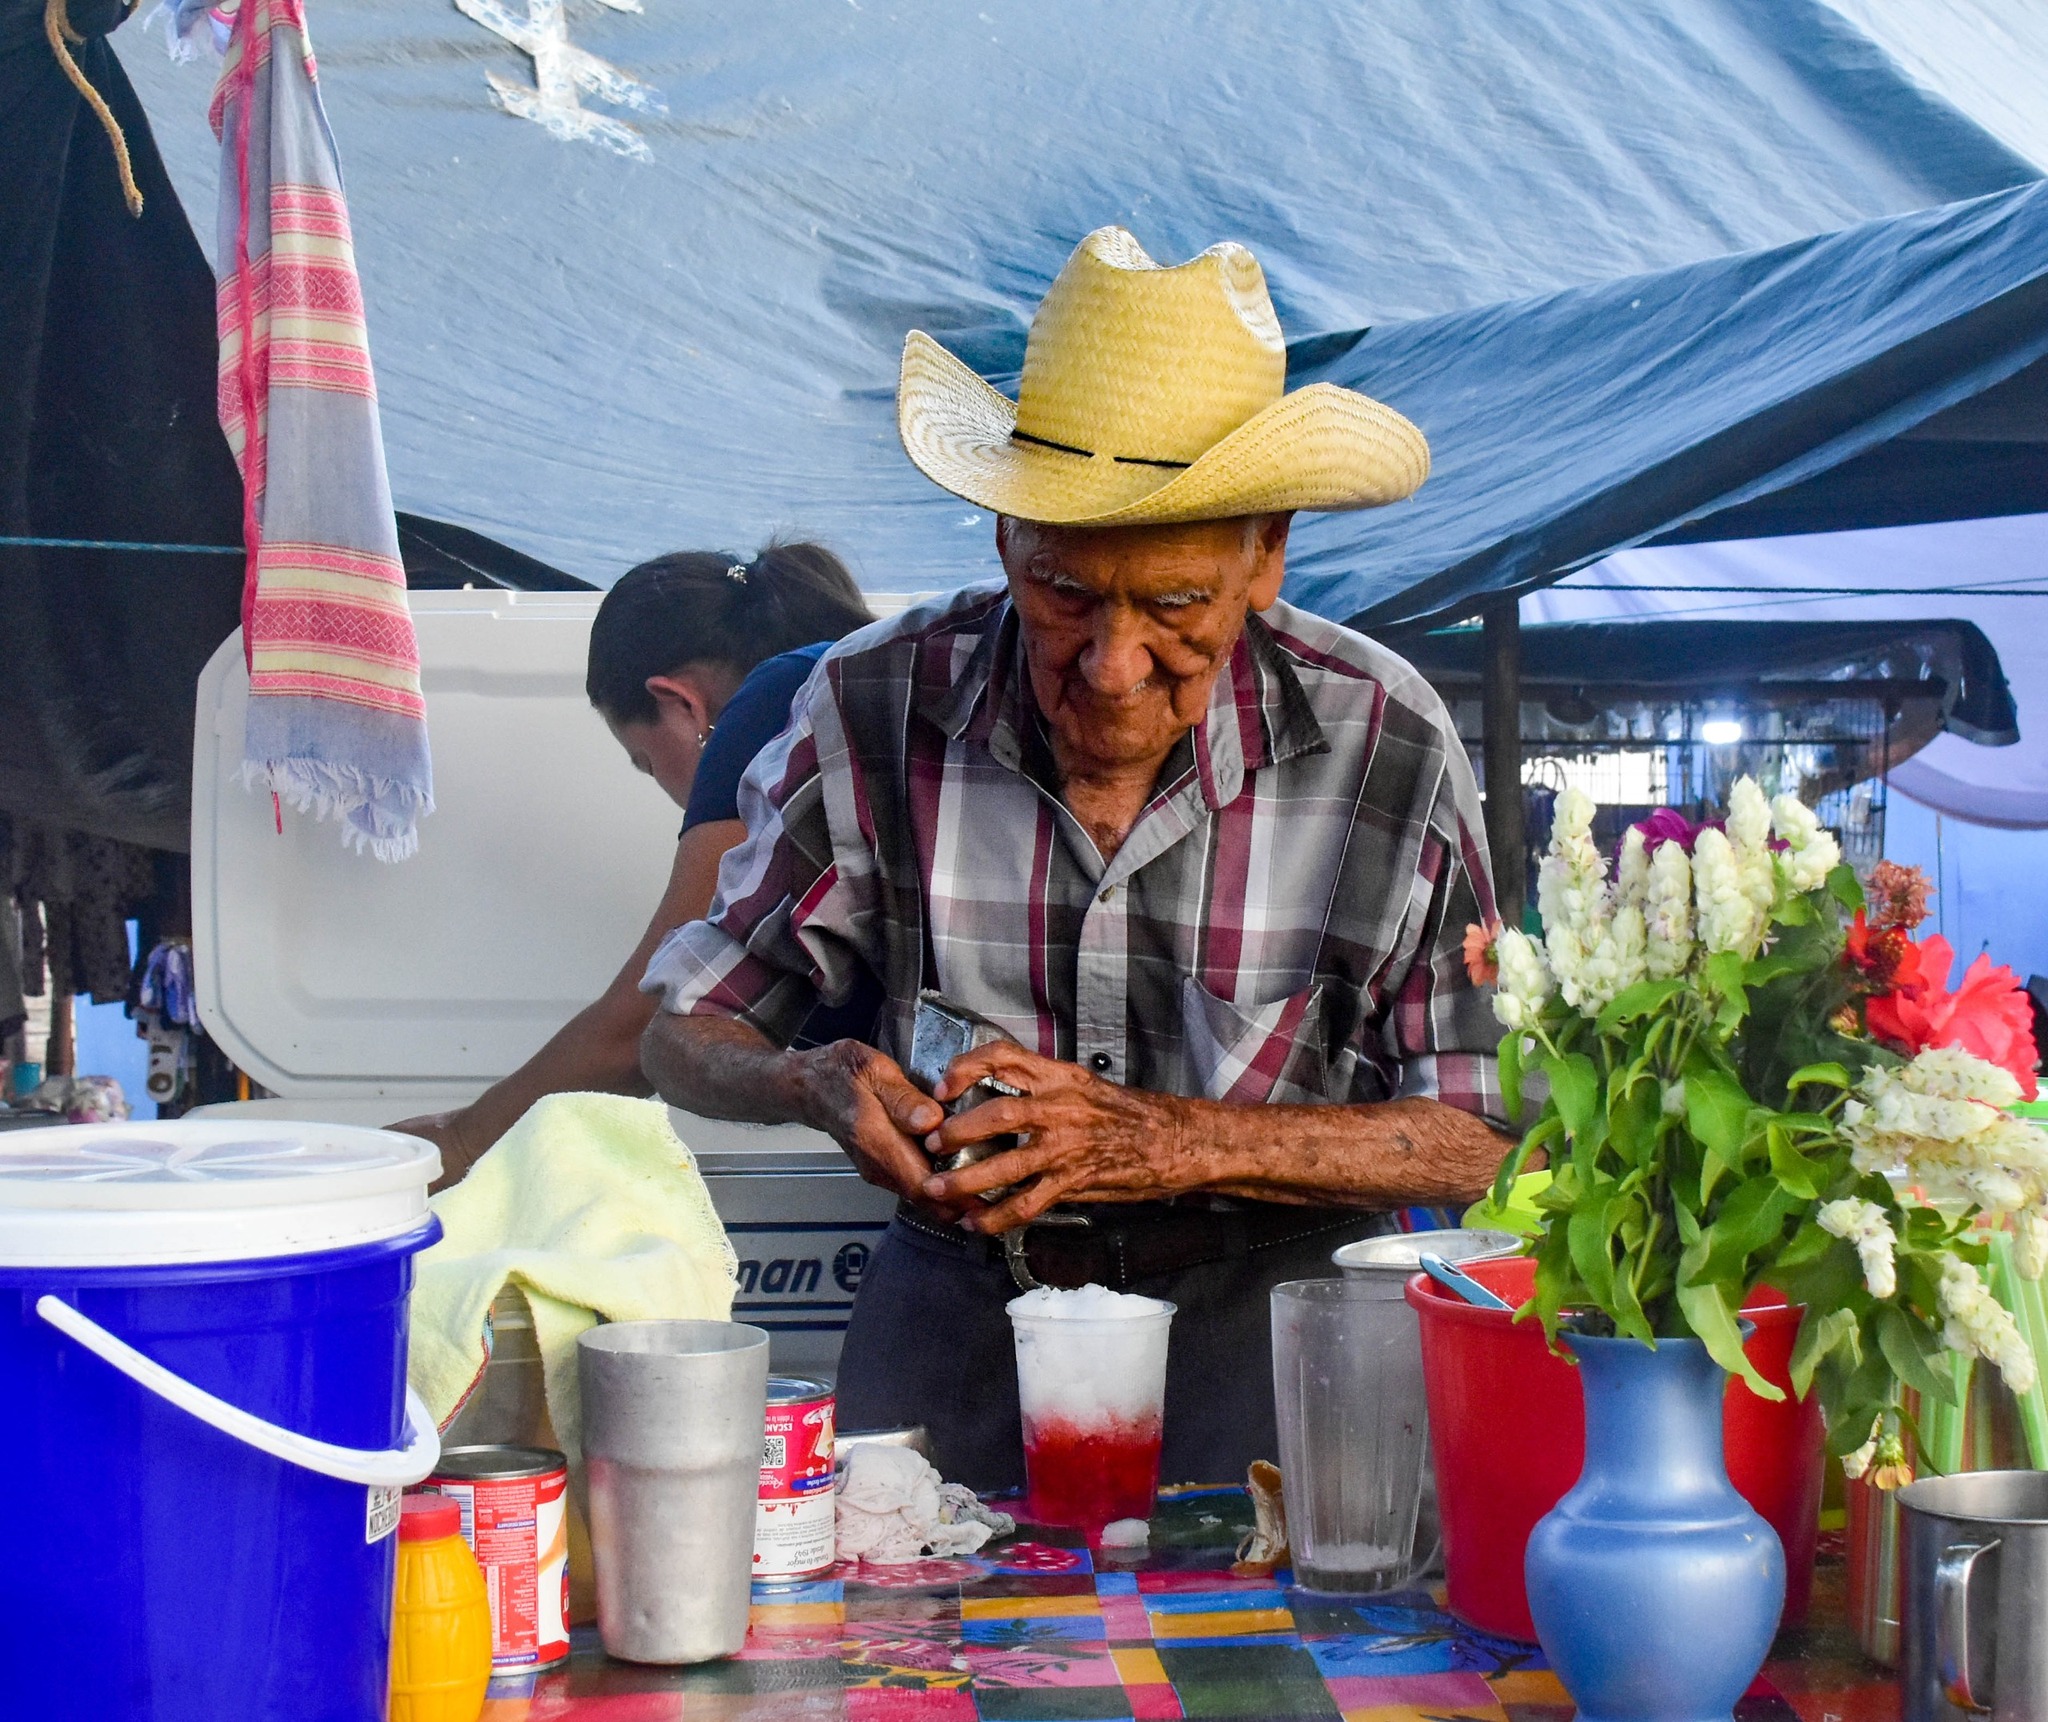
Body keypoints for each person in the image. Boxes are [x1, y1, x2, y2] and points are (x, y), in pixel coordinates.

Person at [638, 228, 1509, 1488]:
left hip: (1271, 1346)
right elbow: (681, 1030)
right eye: (1062, 593)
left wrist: (1168, 1141)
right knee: (902, 1676)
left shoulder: (1383, 743)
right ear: (1000, 535)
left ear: (1264, 555)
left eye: (1171, 606)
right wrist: (810, 1079)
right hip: (956, 1325)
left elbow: (1481, 1136)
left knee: (1263, 1679)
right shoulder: (871, 706)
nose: (1108, 665)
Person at [393, 542, 874, 1186]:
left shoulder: (770, 705)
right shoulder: (872, 675)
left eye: (645, 763)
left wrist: (459, 1145)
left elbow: (650, 1021)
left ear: (681, 704)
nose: (672, 795)